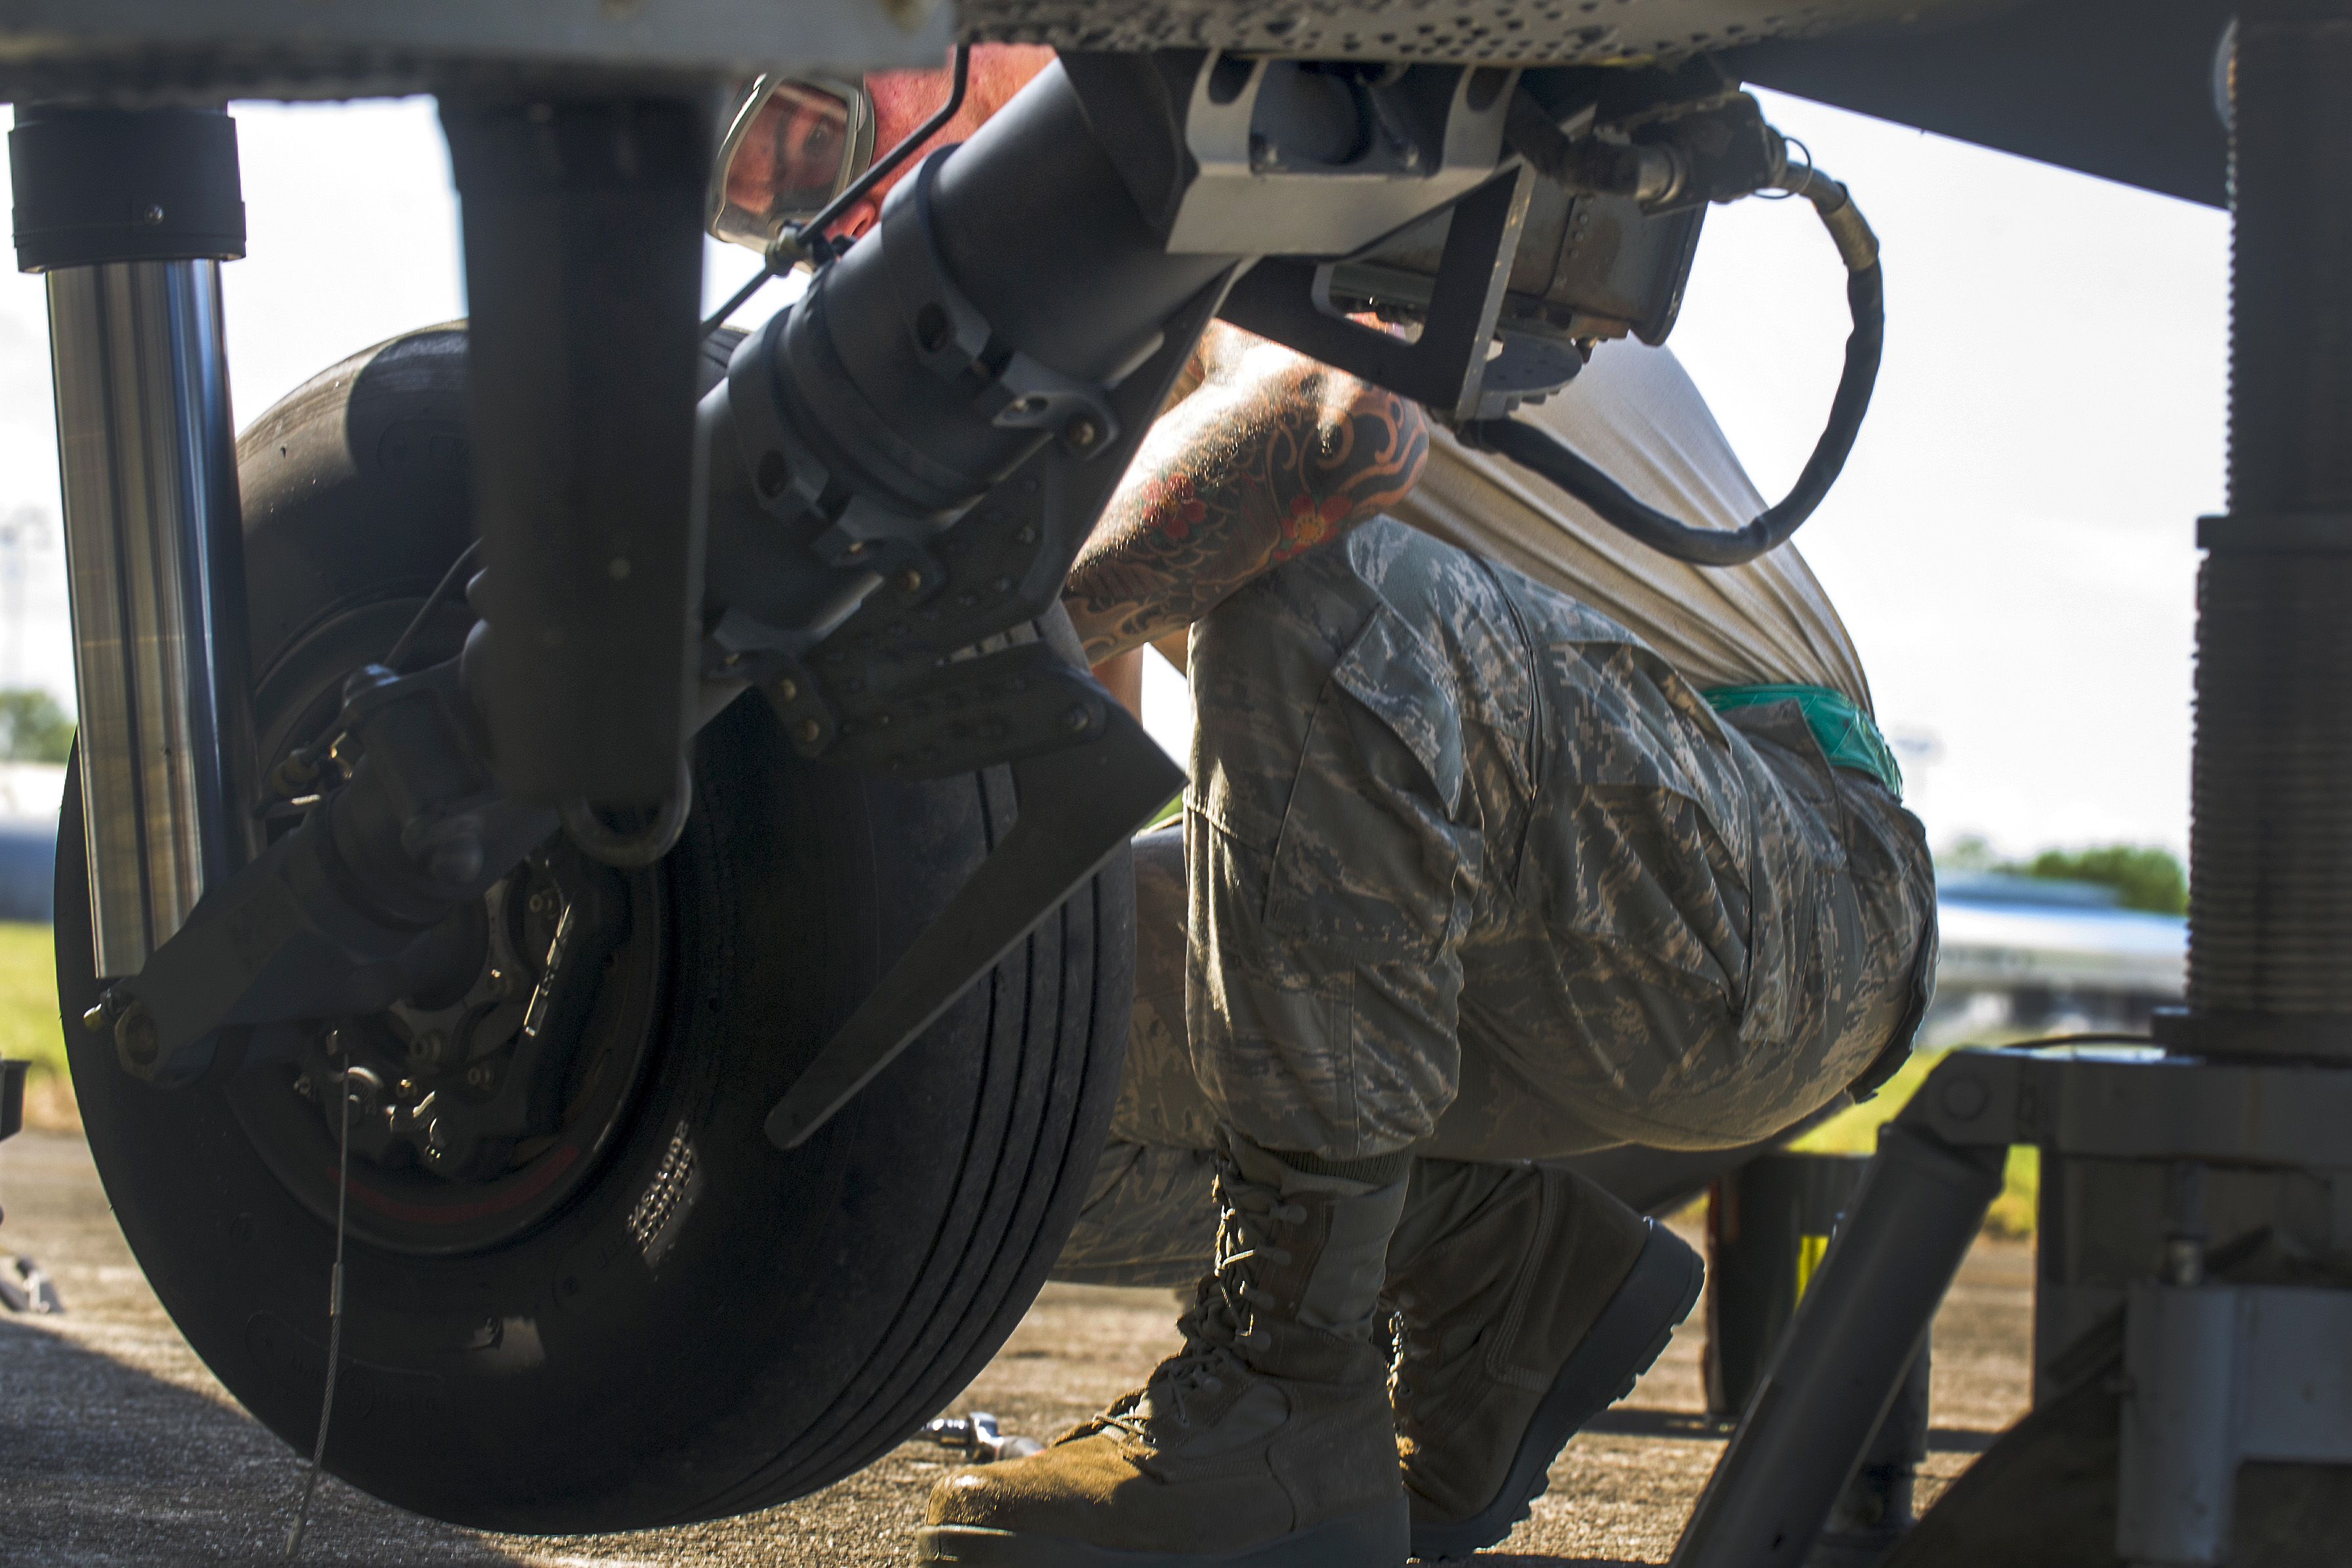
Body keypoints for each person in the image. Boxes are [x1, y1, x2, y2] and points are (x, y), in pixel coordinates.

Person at [770, 45, 1935, 1568]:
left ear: (1002, 57)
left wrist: (984, 622)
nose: (826, 198)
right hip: (1518, 945)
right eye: (778, 177)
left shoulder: (1291, 160)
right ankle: (1493, 1270)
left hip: (1788, 900)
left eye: (825, 123)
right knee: (940, 1033)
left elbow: (1336, 435)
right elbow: (1047, 827)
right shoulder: (1070, 384)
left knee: (1306, 583)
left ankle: (1282, 1393)